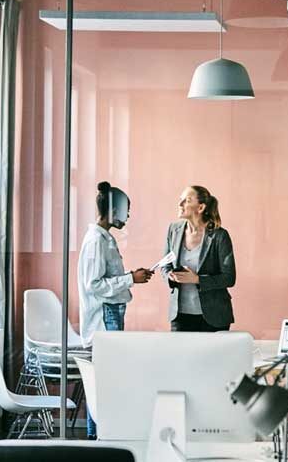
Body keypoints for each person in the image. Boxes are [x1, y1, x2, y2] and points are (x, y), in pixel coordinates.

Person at [77, 181, 152, 439]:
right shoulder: (96, 241)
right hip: (104, 317)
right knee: (104, 383)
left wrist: (132, 277)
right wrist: (132, 278)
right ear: (114, 210)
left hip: (111, 313)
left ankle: (101, 437)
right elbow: (94, 285)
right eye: (126, 210)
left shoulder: (104, 238)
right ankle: (97, 439)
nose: (128, 216)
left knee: (107, 380)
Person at [163, 185, 236, 332]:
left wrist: (197, 279)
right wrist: (170, 276)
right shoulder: (173, 229)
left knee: (212, 356)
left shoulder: (219, 236)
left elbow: (229, 278)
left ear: (200, 207)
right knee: (180, 355)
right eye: (180, 199)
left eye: (187, 200)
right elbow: (165, 266)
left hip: (213, 316)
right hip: (180, 316)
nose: (180, 204)